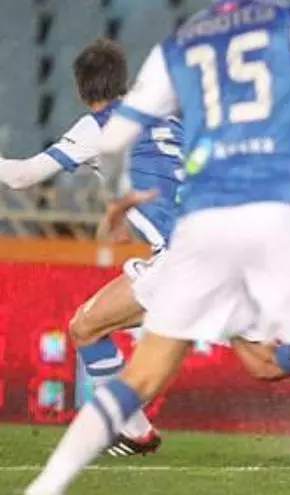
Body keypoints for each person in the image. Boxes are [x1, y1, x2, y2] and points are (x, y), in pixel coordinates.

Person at [25, 2, 290, 494]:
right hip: (259, 220)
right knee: (270, 364)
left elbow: (38, 170)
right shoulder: (284, 25)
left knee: (100, 341)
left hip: (193, 250)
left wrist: (117, 201)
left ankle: (69, 471)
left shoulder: (176, 52)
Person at [0, 38, 181, 456]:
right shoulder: (165, 119)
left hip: (183, 258)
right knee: (263, 354)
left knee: (85, 328)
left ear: (81, 89)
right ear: (123, 81)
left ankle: (132, 429)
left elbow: (22, 177)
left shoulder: (97, 127)